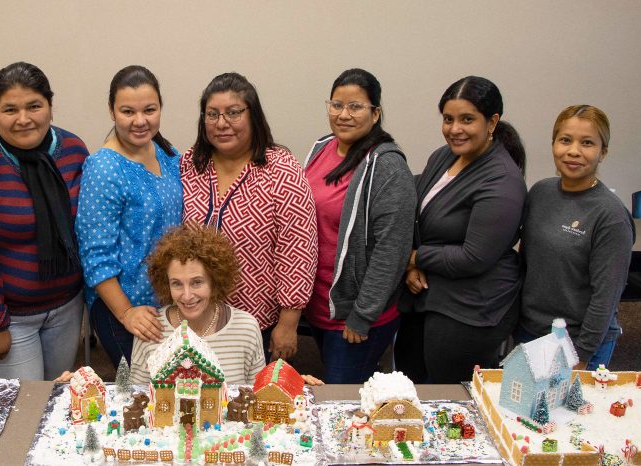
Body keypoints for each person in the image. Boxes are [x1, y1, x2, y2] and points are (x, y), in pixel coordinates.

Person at [0, 62, 88, 380]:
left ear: (50, 106)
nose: (23, 119)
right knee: (20, 414)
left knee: (57, 400)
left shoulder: (73, 150)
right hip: (7, 318)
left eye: (34, 106)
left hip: (65, 308)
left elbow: (86, 229)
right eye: (10, 109)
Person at [56, 225, 321, 386]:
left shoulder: (246, 326)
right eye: (176, 284)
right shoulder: (152, 327)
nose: (186, 295)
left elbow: (257, 393)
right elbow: (133, 396)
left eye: (197, 282)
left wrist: (296, 386)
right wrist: (80, 384)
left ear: (216, 281)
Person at [395, 76, 527, 384]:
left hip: (471, 306)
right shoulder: (443, 156)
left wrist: (415, 257)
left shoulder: (502, 181)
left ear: (492, 121)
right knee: (409, 384)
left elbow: (474, 257)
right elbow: (418, 215)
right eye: (448, 119)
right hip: (426, 290)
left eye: (467, 119)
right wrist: (410, 266)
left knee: (451, 398)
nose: (455, 129)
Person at [181, 72, 317, 362]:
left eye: (233, 113)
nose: (221, 123)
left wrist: (289, 321)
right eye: (212, 114)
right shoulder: (191, 164)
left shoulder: (281, 169)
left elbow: (297, 250)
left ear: (252, 115)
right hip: (194, 316)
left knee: (249, 401)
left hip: (257, 321)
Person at [302, 69, 416, 383]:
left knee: (341, 400)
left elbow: (391, 251)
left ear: (375, 113)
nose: (343, 115)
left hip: (355, 318)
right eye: (336, 105)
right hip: (321, 308)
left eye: (356, 107)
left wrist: (362, 315)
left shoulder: (387, 166)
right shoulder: (322, 148)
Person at [76, 65, 182, 368]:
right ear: (112, 111)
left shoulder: (167, 153)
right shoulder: (104, 168)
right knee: (143, 393)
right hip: (124, 307)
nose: (140, 121)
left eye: (150, 110)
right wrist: (126, 313)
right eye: (127, 111)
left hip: (168, 301)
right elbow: (95, 255)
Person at [518, 105, 634, 370]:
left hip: (577, 343)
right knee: (522, 410)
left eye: (587, 143)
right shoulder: (540, 193)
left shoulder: (611, 215)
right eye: (565, 140)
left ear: (603, 152)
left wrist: (581, 355)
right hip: (531, 332)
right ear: (553, 144)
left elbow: (606, 296)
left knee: (567, 412)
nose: (573, 151)